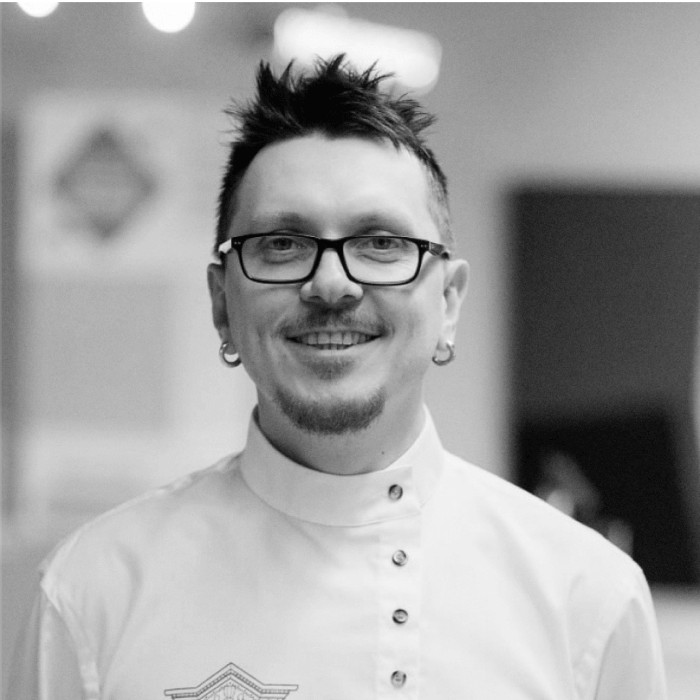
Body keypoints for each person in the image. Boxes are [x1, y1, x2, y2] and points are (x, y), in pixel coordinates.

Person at [10, 56, 666, 699]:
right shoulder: (91, 594)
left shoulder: (589, 600)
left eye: (381, 243)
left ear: (449, 302)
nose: (331, 284)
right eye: (282, 244)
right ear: (221, 303)